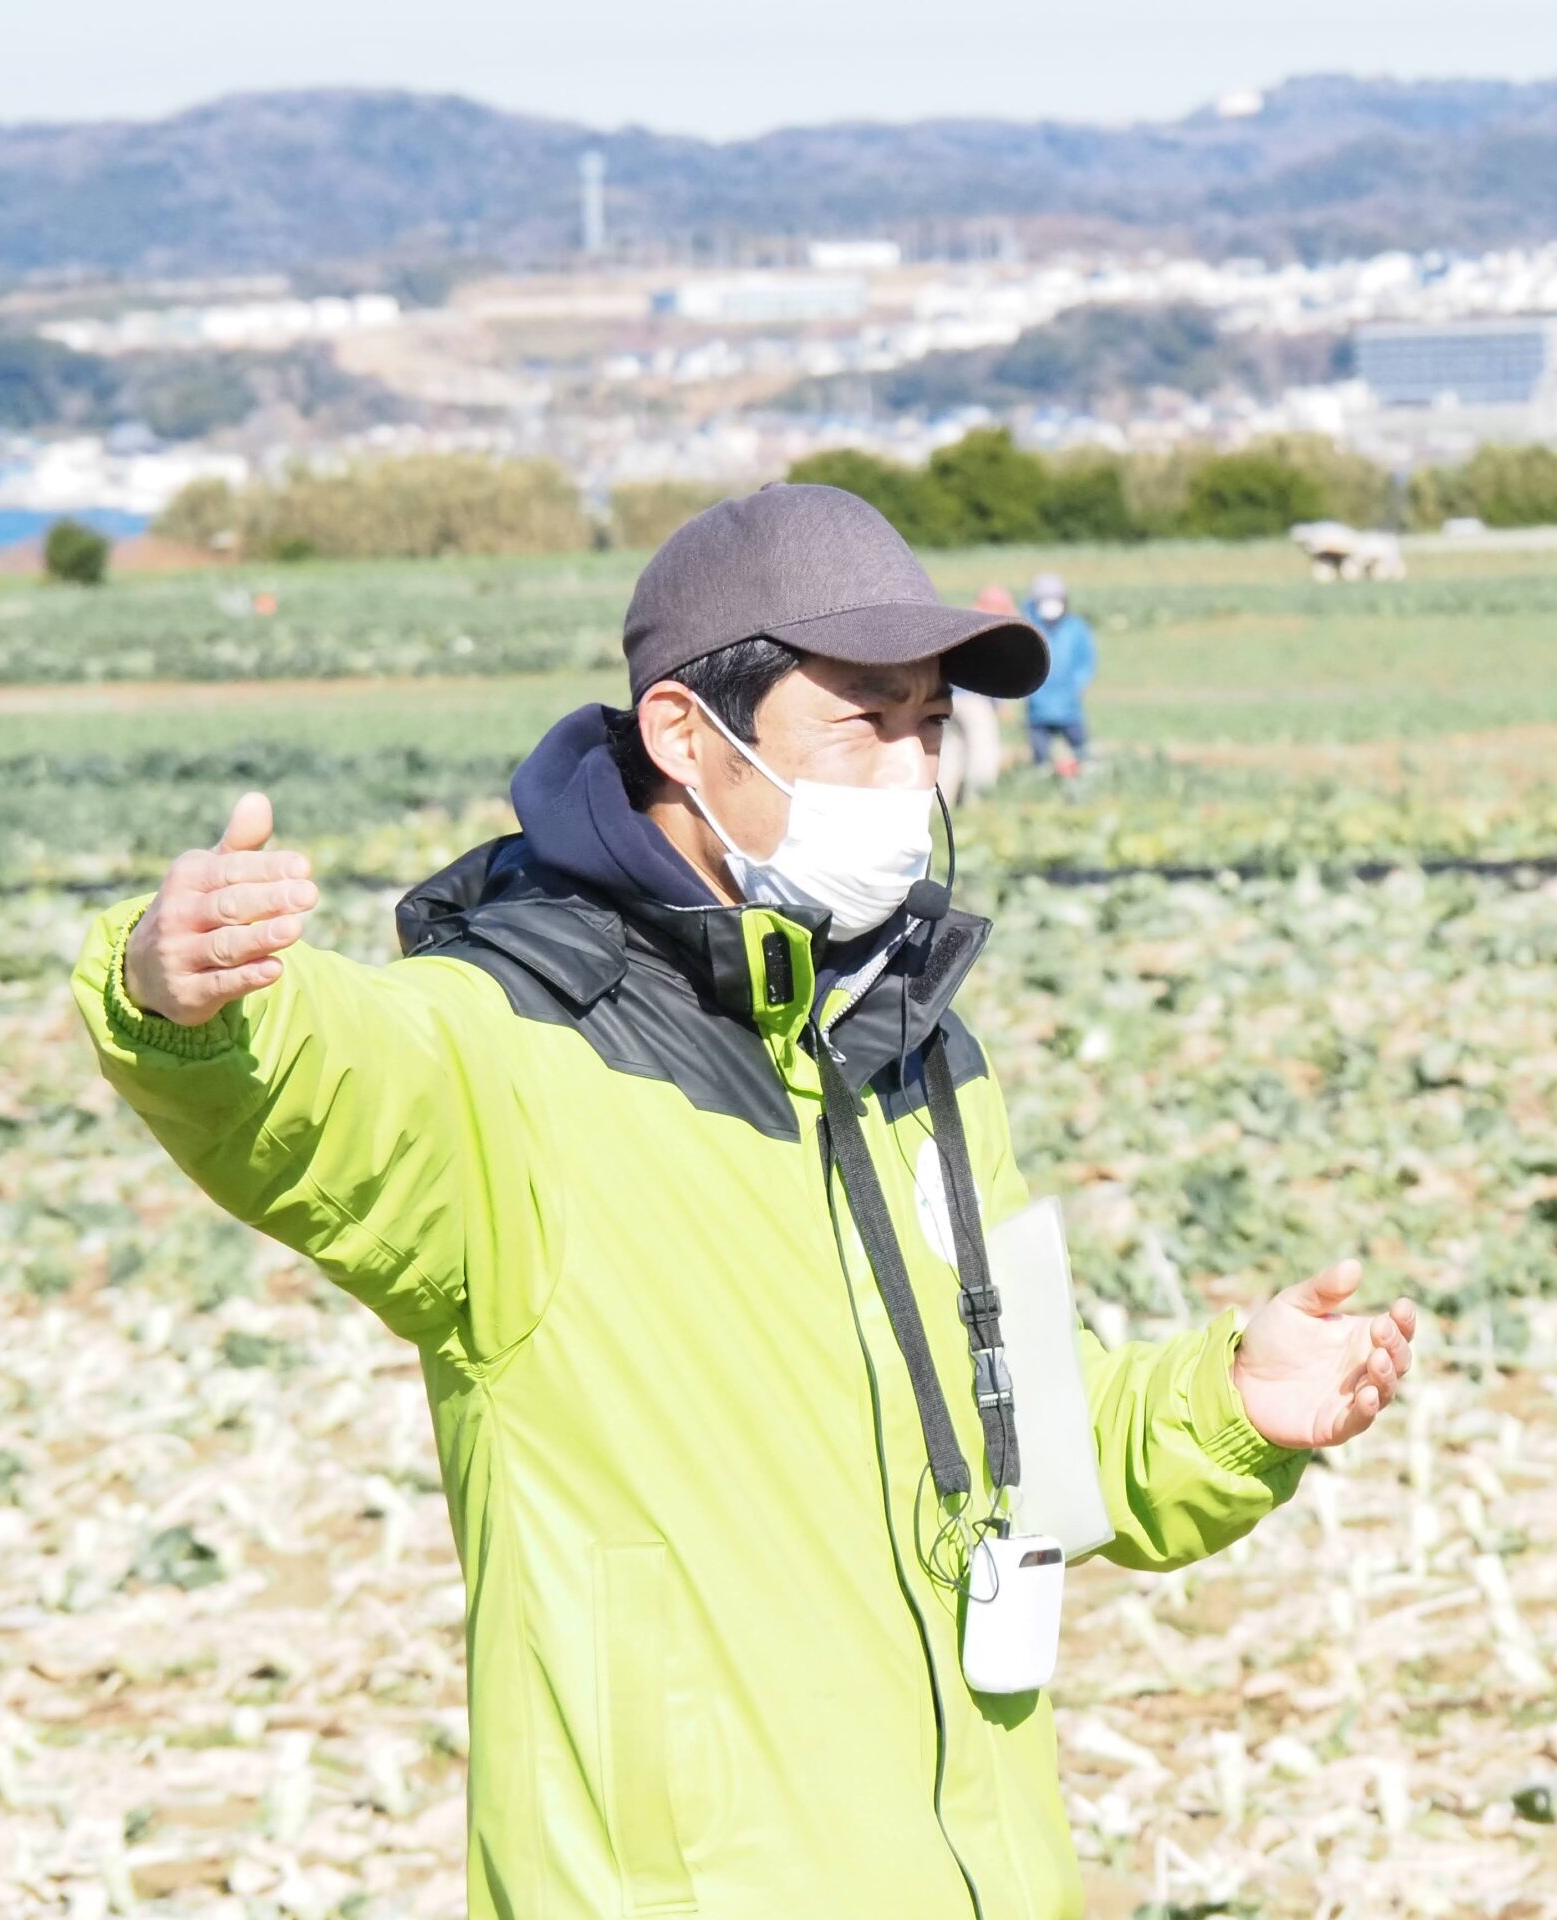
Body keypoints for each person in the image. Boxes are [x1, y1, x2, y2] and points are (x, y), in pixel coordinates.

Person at [73, 483, 1416, 1920]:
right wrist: (173, 994)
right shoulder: (507, 1042)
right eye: (864, 720)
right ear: (683, 735)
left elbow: (1018, 1433)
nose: (914, 772)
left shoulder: (919, 1052)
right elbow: (312, 1085)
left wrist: (1227, 1404)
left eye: (926, 726)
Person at [937, 583, 1012, 807]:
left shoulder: (964, 627)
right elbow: (992, 674)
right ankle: (976, 801)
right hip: (975, 701)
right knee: (982, 752)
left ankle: (942, 806)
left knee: (952, 751)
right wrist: (1000, 705)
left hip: (950, 699)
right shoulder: (990, 633)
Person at [1022, 570, 1096, 776]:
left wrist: (1076, 687)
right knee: (1041, 761)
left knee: (1082, 753)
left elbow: (1085, 661)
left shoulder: (1076, 628)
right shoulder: (1029, 627)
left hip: (1069, 706)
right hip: (1038, 707)